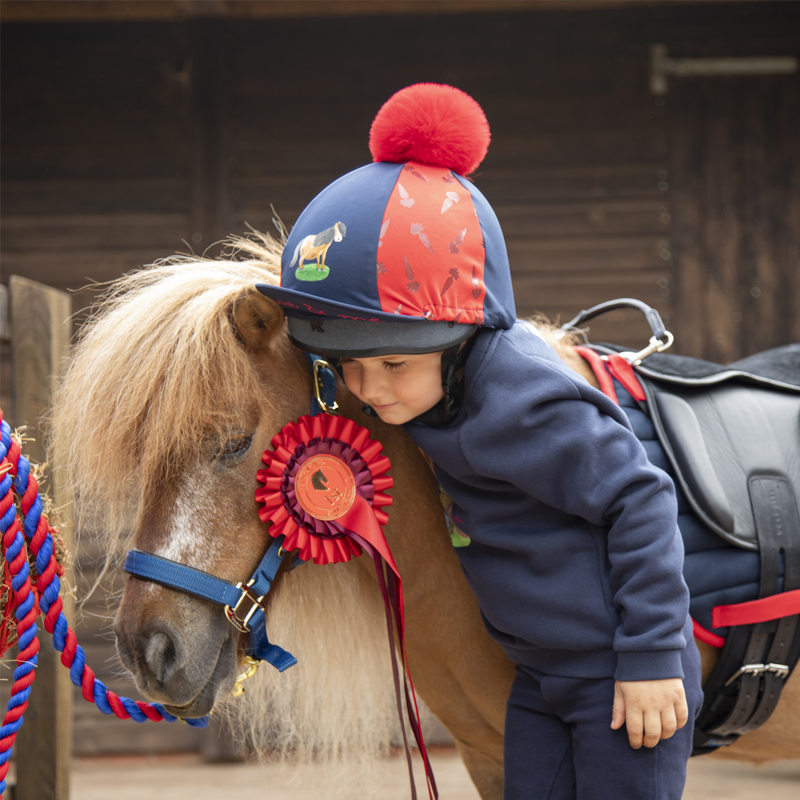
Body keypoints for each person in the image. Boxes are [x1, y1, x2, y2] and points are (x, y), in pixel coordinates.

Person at [256, 83, 702, 800]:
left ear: (462, 335)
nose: (371, 390)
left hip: (618, 677)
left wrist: (649, 658)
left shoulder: (524, 399)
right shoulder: (427, 393)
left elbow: (640, 498)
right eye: (349, 368)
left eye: (394, 364)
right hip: (539, 678)